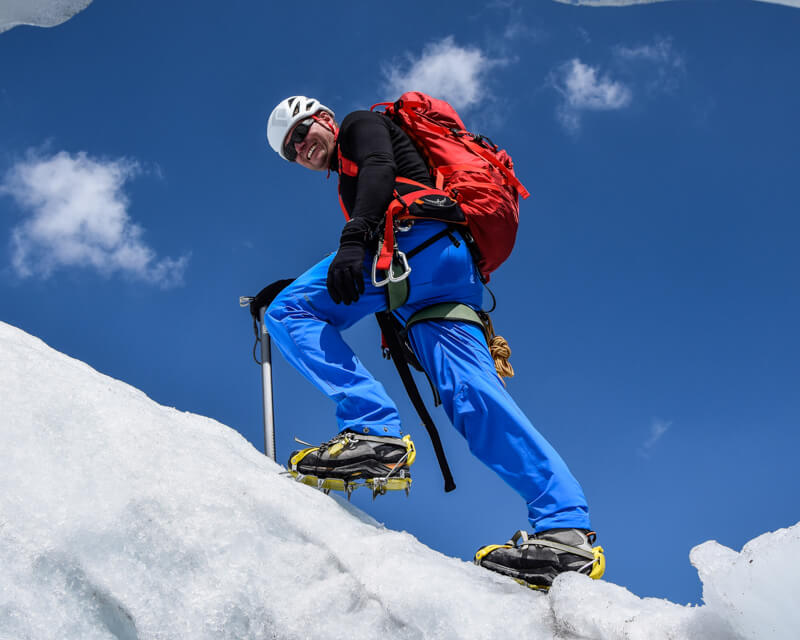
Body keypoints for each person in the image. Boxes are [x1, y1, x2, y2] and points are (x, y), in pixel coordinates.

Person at [262, 95, 604, 588]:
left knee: (290, 311)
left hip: (415, 245)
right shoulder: (351, 169)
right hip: (447, 270)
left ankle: (372, 430)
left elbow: (380, 168)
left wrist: (352, 241)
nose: (299, 149)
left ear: (326, 120)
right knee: (474, 401)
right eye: (290, 151)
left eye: (300, 133)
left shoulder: (362, 126)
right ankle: (565, 529)